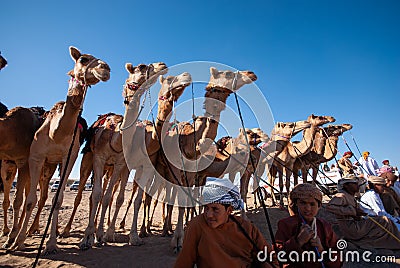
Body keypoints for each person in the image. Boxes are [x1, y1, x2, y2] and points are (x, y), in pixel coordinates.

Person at [174, 177, 276, 268]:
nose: (209, 215)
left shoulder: (247, 229)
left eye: (215, 209)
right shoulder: (197, 225)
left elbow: (270, 258)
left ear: (229, 210)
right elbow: (184, 262)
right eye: (206, 208)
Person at [274, 183, 340, 268]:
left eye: (312, 204)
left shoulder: (325, 226)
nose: (308, 208)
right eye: (303, 203)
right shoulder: (286, 224)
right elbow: (276, 256)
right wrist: (298, 241)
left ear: (319, 206)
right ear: (296, 204)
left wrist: (321, 250)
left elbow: (338, 259)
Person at [326, 174, 400, 249]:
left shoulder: (351, 196)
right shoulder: (341, 195)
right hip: (350, 227)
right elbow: (330, 207)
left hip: (356, 223)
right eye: (354, 184)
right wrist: (352, 211)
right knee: (384, 220)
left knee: (383, 223)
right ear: (346, 185)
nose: (357, 186)